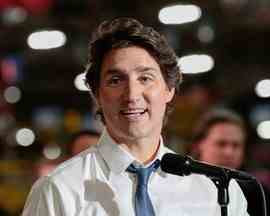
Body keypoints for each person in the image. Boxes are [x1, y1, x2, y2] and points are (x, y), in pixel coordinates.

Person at [21, 17, 248, 216]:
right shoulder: (59, 190)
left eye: (145, 78)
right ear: (97, 93)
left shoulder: (215, 191)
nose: (132, 95)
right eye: (116, 80)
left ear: (170, 89)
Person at [190, 108, 270, 216]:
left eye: (236, 145)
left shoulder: (263, 196)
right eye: (221, 144)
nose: (229, 152)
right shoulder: (179, 188)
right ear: (198, 145)